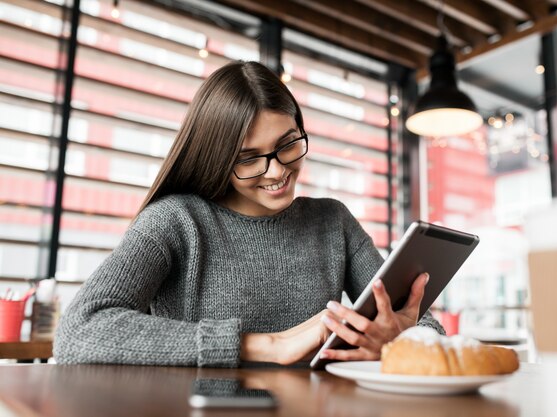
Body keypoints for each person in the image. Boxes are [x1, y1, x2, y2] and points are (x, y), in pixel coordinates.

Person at [53, 61, 444, 367]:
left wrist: (400, 338)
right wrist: (268, 345)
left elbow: (426, 327)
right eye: (249, 158)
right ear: (217, 158)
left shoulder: (333, 222)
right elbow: (79, 331)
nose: (277, 171)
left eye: (288, 144)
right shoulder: (174, 221)